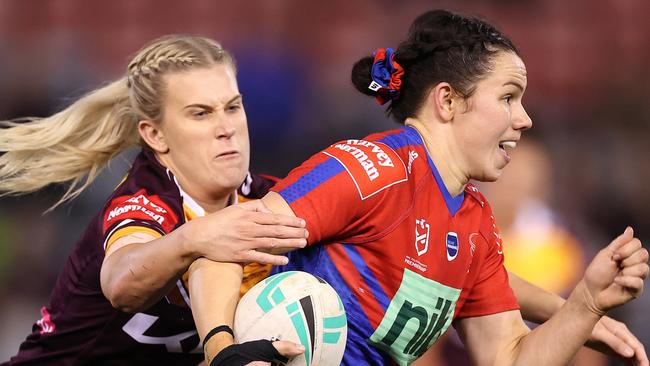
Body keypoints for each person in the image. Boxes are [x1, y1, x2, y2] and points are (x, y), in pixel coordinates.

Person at [196, 10, 649, 366]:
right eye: (509, 97)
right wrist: (223, 352)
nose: (524, 118)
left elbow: (507, 358)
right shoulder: (369, 170)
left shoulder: (475, 223)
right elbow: (224, 245)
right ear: (448, 100)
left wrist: (585, 304)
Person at [0, 35, 308, 365]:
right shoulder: (144, 201)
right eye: (200, 114)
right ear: (154, 135)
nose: (226, 128)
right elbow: (121, 281)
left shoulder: (267, 198)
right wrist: (194, 238)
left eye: (232, 107)